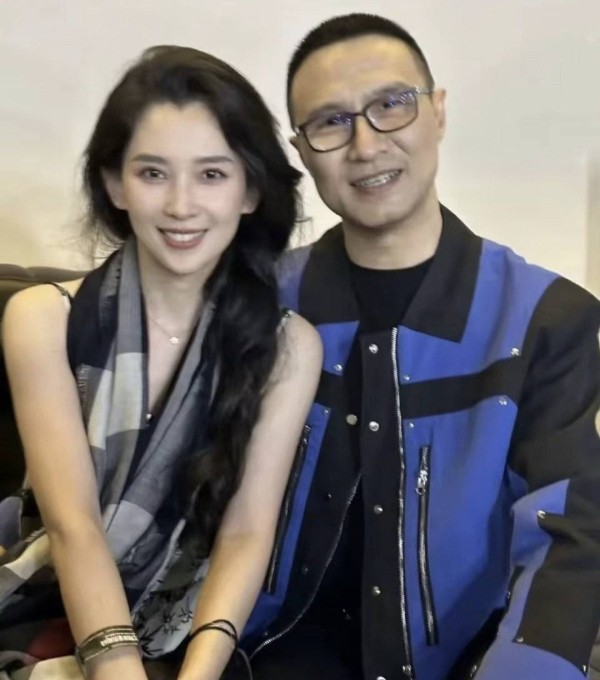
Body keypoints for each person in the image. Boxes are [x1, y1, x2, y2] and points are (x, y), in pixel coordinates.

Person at [242, 12, 600, 680]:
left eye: (391, 105)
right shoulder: (261, 304)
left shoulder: (545, 319)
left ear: (437, 112)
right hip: (265, 656)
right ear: (302, 150)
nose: (365, 145)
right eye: (331, 121)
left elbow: (570, 539)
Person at [0, 46, 322, 680]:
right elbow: (74, 526)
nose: (181, 205)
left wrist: (198, 673)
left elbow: (245, 533)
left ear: (251, 191)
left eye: (212, 174)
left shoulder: (289, 347)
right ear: (115, 184)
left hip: (192, 627)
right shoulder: (42, 319)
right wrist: (120, 669)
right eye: (153, 173)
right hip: (49, 597)